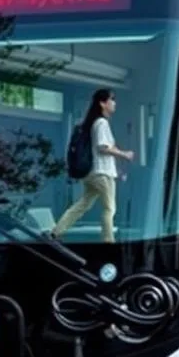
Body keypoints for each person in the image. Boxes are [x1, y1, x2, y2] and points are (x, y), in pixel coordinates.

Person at [51, 88, 133, 243]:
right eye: (112, 99)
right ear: (102, 103)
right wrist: (125, 154)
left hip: (93, 173)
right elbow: (103, 147)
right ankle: (108, 241)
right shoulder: (101, 122)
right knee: (110, 208)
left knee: (83, 204)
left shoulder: (93, 123)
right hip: (102, 174)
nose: (114, 103)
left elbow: (102, 148)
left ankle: (56, 232)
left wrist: (118, 167)